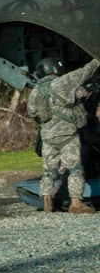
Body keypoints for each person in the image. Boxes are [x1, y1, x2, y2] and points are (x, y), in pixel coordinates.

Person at [26, 56, 100, 214]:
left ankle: (47, 199)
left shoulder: (36, 90)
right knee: (75, 169)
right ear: (56, 68)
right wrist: (96, 60)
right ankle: (76, 203)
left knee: (49, 171)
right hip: (68, 136)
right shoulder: (65, 81)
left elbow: (31, 111)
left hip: (47, 137)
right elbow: (85, 72)